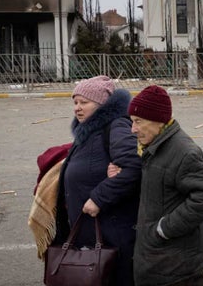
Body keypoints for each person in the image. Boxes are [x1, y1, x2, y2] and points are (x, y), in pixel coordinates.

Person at [128, 85, 203, 286]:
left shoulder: (183, 152)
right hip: (160, 261)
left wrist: (164, 229)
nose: (133, 129)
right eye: (132, 122)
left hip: (176, 266)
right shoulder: (153, 147)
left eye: (138, 122)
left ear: (157, 121)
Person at [54, 75, 141, 286]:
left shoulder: (115, 126)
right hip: (90, 232)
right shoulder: (87, 130)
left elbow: (135, 165)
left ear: (102, 105)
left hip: (111, 235)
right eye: (75, 102)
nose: (77, 108)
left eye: (84, 102)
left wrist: (99, 198)